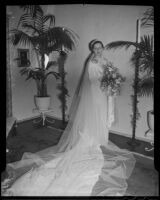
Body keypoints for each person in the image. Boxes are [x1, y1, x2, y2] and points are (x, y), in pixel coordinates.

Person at [3, 39, 135, 196]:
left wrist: (112, 80)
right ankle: (93, 140)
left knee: (101, 115)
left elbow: (109, 74)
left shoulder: (105, 60)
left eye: (100, 47)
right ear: (93, 49)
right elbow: (91, 80)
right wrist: (106, 81)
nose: (98, 50)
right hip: (95, 93)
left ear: (103, 48)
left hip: (103, 94)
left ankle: (100, 138)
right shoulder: (91, 60)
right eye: (96, 48)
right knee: (94, 115)